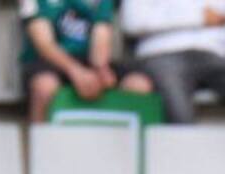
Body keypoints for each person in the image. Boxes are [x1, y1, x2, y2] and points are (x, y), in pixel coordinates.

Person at [119, 0, 225, 127]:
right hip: (162, 53)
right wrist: (198, 17)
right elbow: (132, 21)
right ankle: (186, 158)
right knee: (178, 112)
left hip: (212, 56)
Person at [20, 0, 153, 123]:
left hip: (88, 60)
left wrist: (101, 69)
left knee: (138, 84)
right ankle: (40, 137)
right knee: (44, 86)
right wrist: (76, 72)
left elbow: (101, 30)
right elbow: (44, 43)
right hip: (48, 61)